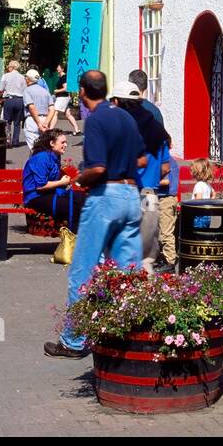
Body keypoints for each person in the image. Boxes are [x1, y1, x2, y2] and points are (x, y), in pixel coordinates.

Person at [44, 70, 146, 359]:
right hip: (130, 194)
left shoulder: (97, 119)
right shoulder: (125, 117)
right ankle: (130, 332)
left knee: (83, 271)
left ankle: (74, 341)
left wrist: (79, 180)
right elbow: (141, 157)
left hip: (105, 196)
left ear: (83, 92)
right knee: (128, 270)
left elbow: (98, 167)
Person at [111, 80, 173, 271]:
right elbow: (165, 167)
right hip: (150, 195)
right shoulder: (156, 129)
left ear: (117, 102)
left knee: (120, 248)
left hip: (124, 192)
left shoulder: (119, 128)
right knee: (146, 254)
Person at [23, 130, 84, 229]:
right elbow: (41, 186)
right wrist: (61, 182)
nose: (65, 145)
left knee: (82, 198)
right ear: (52, 143)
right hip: (35, 198)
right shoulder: (41, 158)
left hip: (49, 194)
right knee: (73, 206)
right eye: (62, 142)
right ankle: (74, 237)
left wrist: (66, 181)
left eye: (66, 142)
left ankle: (79, 236)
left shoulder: (55, 156)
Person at [22, 68, 55, 148]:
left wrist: (39, 124)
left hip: (33, 120)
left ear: (28, 79)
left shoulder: (27, 91)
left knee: (34, 148)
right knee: (43, 146)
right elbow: (52, 109)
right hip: (45, 119)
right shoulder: (45, 91)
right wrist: (46, 123)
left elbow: (31, 107)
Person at [0, 60, 28, 148]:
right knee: (17, 122)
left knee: (7, 121)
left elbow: (0, 88)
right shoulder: (22, 77)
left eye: (8, 66)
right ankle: (15, 141)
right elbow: (25, 90)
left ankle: (8, 140)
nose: (8, 68)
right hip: (19, 100)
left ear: (12, 67)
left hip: (9, 99)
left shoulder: (6, 76)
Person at [52, 63, 81, 135]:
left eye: (58, 67)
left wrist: (56, 91)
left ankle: (50, 130)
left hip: (62, 97)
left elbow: (65, 88)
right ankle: (77, 130)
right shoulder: (61, 77)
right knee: (68, 114)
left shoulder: (64, 77)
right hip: (63, 97)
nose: (57, 68)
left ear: (62, 69)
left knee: (55, 112)